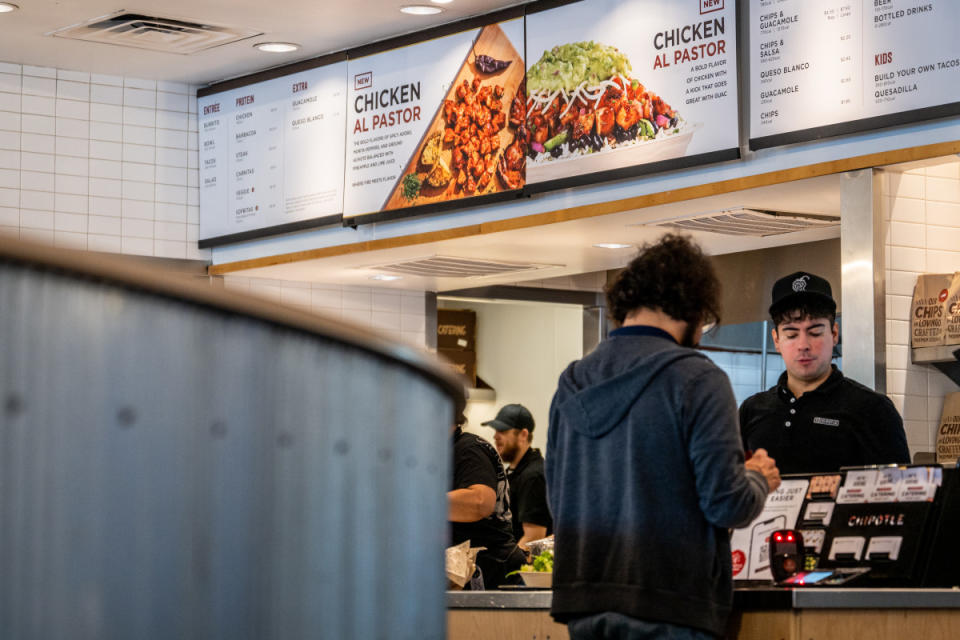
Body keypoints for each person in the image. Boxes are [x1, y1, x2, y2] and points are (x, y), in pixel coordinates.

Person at [546, 234, 781, 640]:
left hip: (585, 605)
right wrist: (759, 477)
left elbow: (558, 499)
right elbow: (726, 504)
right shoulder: (698, 378)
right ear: (692, 306)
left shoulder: (572, 381)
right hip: (673, 605)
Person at [739, 271, 910, 474]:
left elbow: (902, 494)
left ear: (834, 333)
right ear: (776, 340)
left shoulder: (873, 409)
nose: (803, 345)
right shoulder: (751, 410)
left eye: (815, 332)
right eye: (791, 334)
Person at [449, 414, 526, 589]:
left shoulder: (468, 449)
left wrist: (415, 501)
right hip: (469, 570)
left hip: (492, 570)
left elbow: (480, 502)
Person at [483, 403, 553, 550]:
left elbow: (534, 537)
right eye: (496, 430)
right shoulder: (515, 472)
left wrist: (506, 567)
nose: (495, 436)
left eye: (502, 430)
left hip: (521, 570)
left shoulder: (533, 476)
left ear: (523, 435)